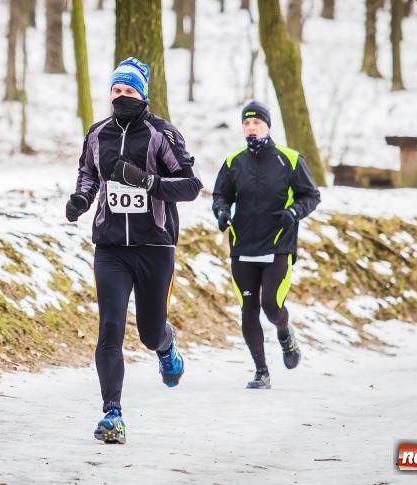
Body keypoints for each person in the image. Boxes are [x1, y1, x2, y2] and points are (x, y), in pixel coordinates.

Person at [65, 57, 202, 444]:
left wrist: (145, 181)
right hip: (111, 248)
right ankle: (113, 414)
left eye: (129, 91)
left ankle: (166, 344)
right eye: (116, 90)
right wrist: (80, 199)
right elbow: (89, 173)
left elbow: (191, 185)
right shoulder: (98, 134)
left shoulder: (162, 134)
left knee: (149, 331)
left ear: (142, 94)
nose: (121, 97)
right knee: (109, 327)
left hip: (155, 247)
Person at [212, 100, 320, 389]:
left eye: (256, 122)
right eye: (246, 123)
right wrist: (222, 213)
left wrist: (294, 212)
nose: (251, 127)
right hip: (243, 246)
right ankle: (261, 371)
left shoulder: (290, 159)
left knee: (271, 305)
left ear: (267, 125)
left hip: (277, 245)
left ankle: (285, 333)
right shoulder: (234, 161)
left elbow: (311, 195)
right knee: (248, 309)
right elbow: (220, 195)